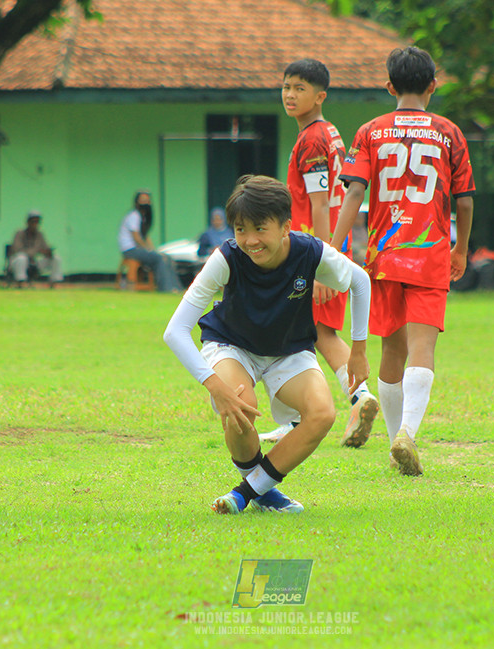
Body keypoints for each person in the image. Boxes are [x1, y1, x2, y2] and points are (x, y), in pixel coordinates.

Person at [163, 175, 371, 514]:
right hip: (232, 345)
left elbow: (360, 282)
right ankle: (259, 493)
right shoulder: (227, 257)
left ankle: (247, 493)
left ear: (286, 226)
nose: (249, 240)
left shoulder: (309, 251)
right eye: (240, 229)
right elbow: (175, 331)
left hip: (288, 350)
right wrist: (215, 386)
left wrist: (359, 350)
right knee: (240, 407)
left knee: (322, 413)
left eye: (260, 229)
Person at [331, 46, 476, 476]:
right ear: (433, 85)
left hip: (384, 255)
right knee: (422, 347)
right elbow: (464, 202)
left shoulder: (371, 131)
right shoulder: (449, 132)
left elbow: (354, 194)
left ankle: (397, 439)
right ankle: (406, 433)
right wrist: (461, 248)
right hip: (430, 252)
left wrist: (335, 248)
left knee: (390, 348)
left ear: (390, 86)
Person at [260, 58, 380, 449]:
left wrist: (318, 263)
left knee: (305, 333)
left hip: (315, 250)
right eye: (286, 87)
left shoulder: (312, 138)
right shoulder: (329, 133)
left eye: (300, 89)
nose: (290, 95)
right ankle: (353, 399)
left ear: (320, 95)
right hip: (331, 248)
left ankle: (337, 404)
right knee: (315, 333)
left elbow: (318, 203)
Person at [117, 190, 181, 292]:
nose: (145, 203)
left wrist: (153, 250)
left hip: (138, 249)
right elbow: (137, 238)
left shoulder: (143, 217)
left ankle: (176, 287)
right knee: (159, 259)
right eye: (143, 200)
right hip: (130, 250)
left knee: (166, 257)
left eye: (147, 200)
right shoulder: (134, 215)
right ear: (137, 202)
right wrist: (149, 250)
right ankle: (166, 288)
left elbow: (145, 236)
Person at [8, 210, 63, 286]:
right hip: (17, 263)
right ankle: (21, 282)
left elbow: (45, 247)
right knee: (22, 258)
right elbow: (18, 250)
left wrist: (47, 252)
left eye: (37, 222)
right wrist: (36, 251)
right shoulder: (19, 233)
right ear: (28, 222)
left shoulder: (40, 234)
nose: (35, 224)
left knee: (56, 258)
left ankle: (54, 282)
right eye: (33, 221)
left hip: (33, 263)